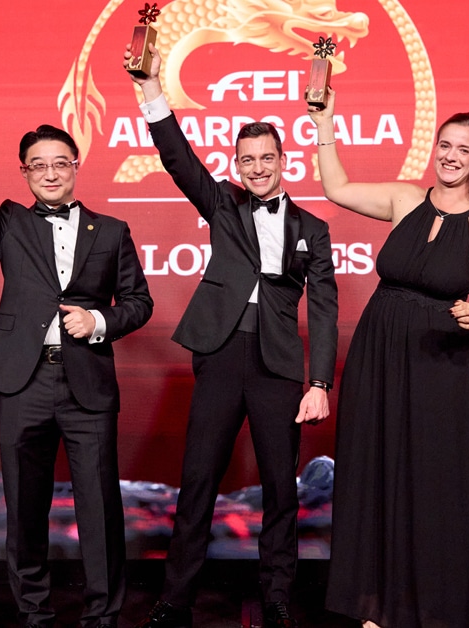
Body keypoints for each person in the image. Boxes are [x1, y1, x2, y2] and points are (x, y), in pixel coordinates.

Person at [125, 44, 337, 628]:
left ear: (283, 159)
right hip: (220, 355)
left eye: (267, 158)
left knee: (280, 491)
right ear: (238, 165)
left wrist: (318, 381)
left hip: (277, 367)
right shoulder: (222, 204)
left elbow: (324, 308)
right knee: (197, 482)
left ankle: (275, 597)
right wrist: (150, 89)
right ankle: (175, 600)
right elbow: (177, 156)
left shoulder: (312, 230)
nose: (258, 168)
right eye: (248, 160)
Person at [0, 96, 154, 628]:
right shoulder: (8, 222)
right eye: (39, 165)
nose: (50, 173)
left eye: (60, 163)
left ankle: (103, 616)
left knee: (99, 508)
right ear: (25, 172)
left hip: (88, 386)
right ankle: (35, 614)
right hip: (22, 381)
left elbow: (139, 303)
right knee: (24, 507)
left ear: (77, 166)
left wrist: (98, 323)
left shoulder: (113, 231)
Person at [309, 90, 469, 627]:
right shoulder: (404, 200)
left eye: (462, 150)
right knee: (373, 472)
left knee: (430, 483)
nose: (449, 155)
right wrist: (326, 120)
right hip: (378, 353)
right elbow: (336, 188)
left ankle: (426, 608)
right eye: (444, 144)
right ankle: (372, 605)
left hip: (437, 367)